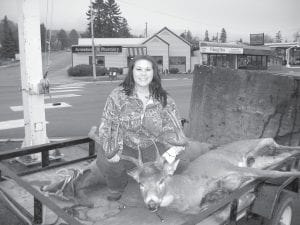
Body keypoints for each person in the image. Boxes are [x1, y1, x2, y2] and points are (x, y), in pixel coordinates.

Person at [41, 55, 210, 205]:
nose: (143, 74)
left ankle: (205, 148)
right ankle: (113, 188)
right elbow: (106, 125)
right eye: (138, 69)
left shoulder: (165, 100)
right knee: (107, 163)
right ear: (132, 72)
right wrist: (110, 148)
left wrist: (169, 156)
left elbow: (178, 136)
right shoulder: (117, 96)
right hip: (125, 149)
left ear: (154, 73)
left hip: (156, 149)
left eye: (148, 69)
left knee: (185, 161)